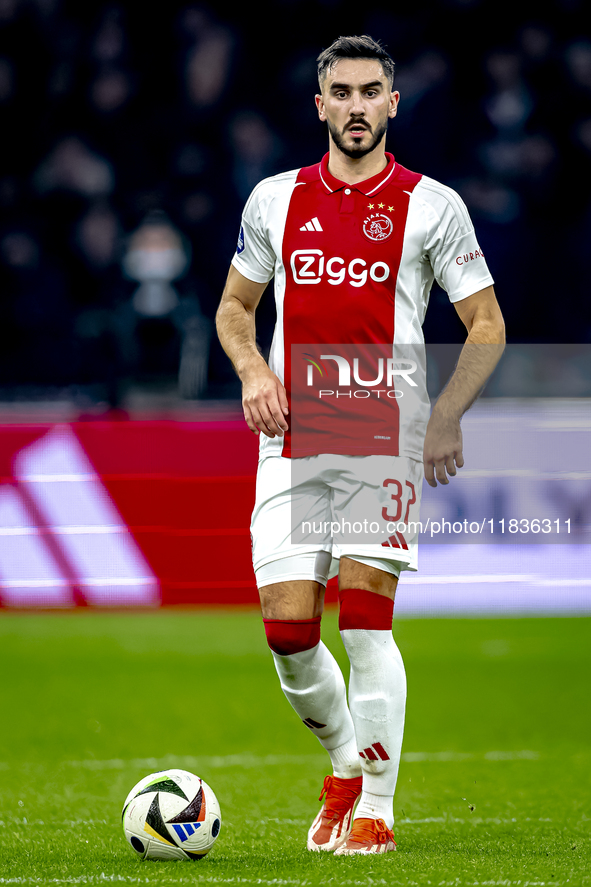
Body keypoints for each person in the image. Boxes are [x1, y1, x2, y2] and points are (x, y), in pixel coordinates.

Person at [216, 35, 505, 856]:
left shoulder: (432, 205)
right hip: (289, 431)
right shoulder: (273, 200)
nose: (353, 105)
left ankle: (378, 800)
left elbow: (485, 323)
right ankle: (345, 763)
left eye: (368, 91)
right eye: (339, 92)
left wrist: (446, 415)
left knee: (365, 621)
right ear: (319, 105)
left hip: (377, 423)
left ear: (391, 104)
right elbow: (235, 308)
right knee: (287, 632)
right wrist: (249, 372)